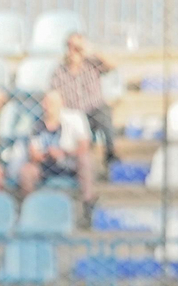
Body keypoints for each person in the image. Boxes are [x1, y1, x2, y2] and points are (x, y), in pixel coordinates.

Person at [18, 90, 95, 216]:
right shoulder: (37, 124)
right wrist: (47, 154)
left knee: (85, 160)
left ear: (61, 104)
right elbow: (33, 154)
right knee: (26, 171)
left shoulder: (75, 118)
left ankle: (88, 203)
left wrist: (63, 152)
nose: (46, 106)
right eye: (45, 102)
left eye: (51, 103)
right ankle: (29, 210)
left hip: (69, 161)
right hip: (46, 164)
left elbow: (84, 147)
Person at [48, 32, 115, 165]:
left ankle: (110, 155)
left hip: (94, 112)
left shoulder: (92, 64)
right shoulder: (59, 71)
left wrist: (90, 50)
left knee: (104, 112)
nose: (73, 51)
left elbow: (112, 65)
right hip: (71, 114)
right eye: (70, 47)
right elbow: (53, 96)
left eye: (77, 48)